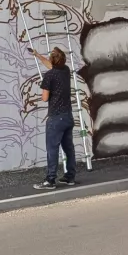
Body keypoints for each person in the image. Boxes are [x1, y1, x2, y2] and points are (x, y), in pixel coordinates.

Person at [31, 47, 77, 190]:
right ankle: (70, 177)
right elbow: (52, 66)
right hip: (68, 116)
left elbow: (45, 98)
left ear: (53, 60)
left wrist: (46, 91)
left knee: (52, 149)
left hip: (55, 118)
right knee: (68, 148)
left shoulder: (49, 76)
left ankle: (50, 180)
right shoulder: (66, 70)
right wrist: (38, 55)